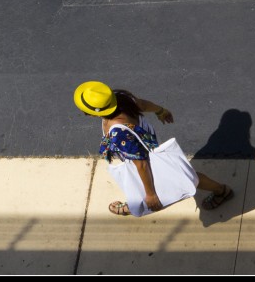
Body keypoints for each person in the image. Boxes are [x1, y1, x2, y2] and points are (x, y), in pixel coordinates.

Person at [73, 81, 234, 216]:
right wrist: (160, 110)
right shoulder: (122, 97)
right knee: (177, 173)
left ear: (92, 113)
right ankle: (138, 200)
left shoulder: (118, 133)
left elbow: (141, 163)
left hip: (139, 154)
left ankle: (222, 191)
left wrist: (151, 195)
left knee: (182, 176)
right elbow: (142, 104)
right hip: (146, 141)